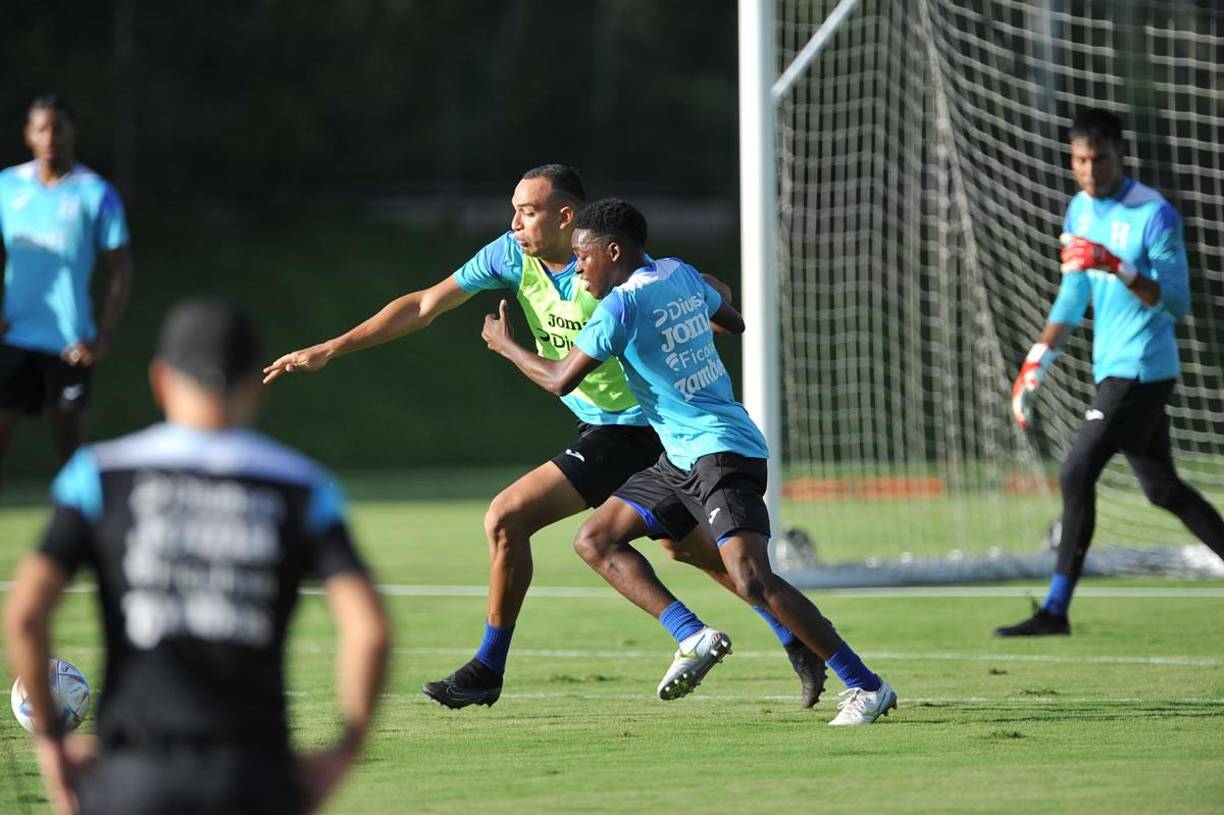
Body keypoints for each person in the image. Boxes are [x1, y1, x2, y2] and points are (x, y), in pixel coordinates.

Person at [263, 165, 827, 709]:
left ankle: (489, 669)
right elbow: (422, 305)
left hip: (634, 427)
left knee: (509, 516)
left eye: (526, 213)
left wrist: (706, 311)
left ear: (565, 216)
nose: (514, 224)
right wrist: (330, 348)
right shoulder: (511, 256)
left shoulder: (614, 268)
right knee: (687, 548)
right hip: (610, 428)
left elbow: (703, 288)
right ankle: (796, 636)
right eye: (513, 212)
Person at [480, 198, 897, 726]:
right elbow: (734, 321)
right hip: (677, 456)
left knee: (752, 579)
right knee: (595, 540)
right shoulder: (676, 273)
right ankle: (693, 633)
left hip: (721, 450)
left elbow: (560, 378)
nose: (578, 267)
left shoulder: (620, 308)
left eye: (584, 257)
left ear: (613, 251)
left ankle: (866, 685)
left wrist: (506, 345)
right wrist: (693, 311)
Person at [4, 299, 390, 814]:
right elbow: (370, 629)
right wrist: (347, 748)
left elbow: (27, 613)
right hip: (255, 778)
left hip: (132, 778)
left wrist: (51, 740)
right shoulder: (302, 487)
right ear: (256, 385)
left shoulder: (99, 475)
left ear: (160, 380)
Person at [997, 108, 1224, 636]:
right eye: (1080, 159)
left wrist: (1117, 265)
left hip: (1143, 368)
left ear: (1121, 154)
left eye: (1099, 158)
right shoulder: (1078, 210)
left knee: (1077, 471)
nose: (1090, 170)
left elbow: (1176, 303)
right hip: (1113, 369)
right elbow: (1073, 296)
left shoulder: (1154, 214)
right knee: (1163, 489)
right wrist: (1037, 359)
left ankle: (1055, 610)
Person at [0, 95, 133, 484]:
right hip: (15, 336)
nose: (50, 136)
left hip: (70, 344)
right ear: (28, 134)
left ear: (71, 131)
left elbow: (121, 271)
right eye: (42, 128)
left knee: (71, 450)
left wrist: (103, 335)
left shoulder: (96, 193)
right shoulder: (7, 187)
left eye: (58, 127)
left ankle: (83, 533)